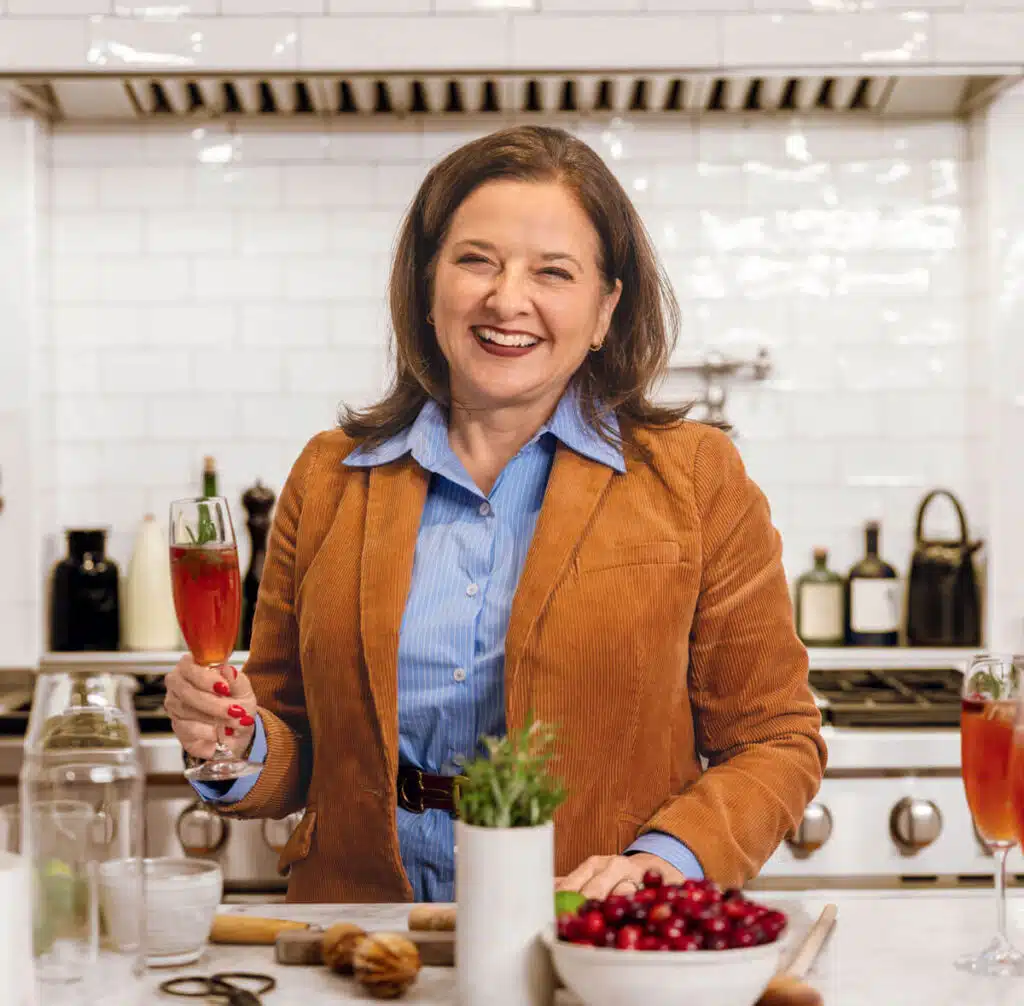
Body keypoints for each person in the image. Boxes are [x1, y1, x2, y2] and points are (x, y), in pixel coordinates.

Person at [165, 124, 827, 904]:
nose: (508, 299)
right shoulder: (329, 474)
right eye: (476, 260)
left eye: (554, 271)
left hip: (589, 935)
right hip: (362, 930)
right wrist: (233, 740)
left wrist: (665, 863)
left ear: (606, 308)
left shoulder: (694, 476)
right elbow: (293, 742)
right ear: (427, 283)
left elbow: (775, 740)